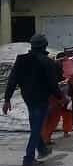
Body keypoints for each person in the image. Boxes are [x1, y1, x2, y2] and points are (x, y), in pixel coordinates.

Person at [3, 34, 61, 165]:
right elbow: (53, 84)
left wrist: (7, 99)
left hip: (28, 98)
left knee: (35, 124)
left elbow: (12, 80)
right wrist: (61, 97)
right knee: (36, 128)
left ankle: (42, 149)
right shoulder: (47, 62)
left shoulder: (21, 59)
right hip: (41, 99)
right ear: (44, 46)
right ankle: (28, 158)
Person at [42, 54, 73, 146]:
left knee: (56, 116)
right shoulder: (55, 68)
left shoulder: (52, 67)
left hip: (56, 96)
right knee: (54, 117)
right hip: (56, 97)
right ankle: (46, 138)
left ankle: (47, 137)